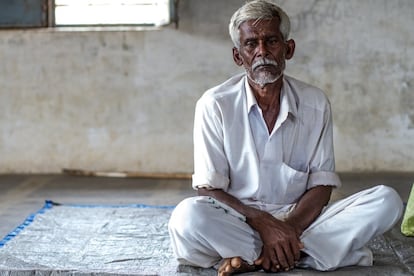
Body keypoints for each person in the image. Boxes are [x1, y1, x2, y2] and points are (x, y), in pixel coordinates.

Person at [168, 0, 404, 275]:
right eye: (251, 44)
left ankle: (258, 257)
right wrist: (265, 225)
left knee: (386, 201)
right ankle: (304, 254)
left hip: (301, 220)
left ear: (288, 49)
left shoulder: (315, 103)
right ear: (237, 56)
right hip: (239, 220)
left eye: (271, 41)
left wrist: (286, 230)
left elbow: (321, 184)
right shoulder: (215, 104)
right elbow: (208, 189)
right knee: (188, 217)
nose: (262, 52)